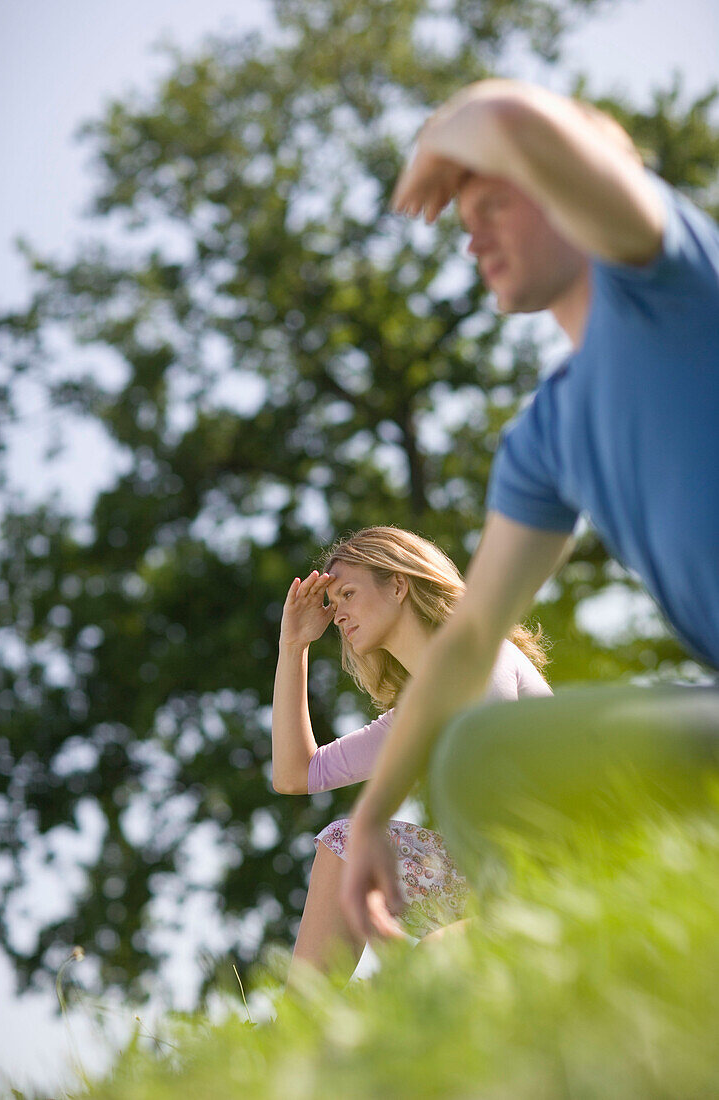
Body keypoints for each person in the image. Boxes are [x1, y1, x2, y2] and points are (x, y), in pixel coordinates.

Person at [339, 79, 719, 945]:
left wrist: (446, 131)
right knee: (489, 759)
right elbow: (470, 635)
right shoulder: (546, 433)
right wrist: (369, 822)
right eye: (464, 212)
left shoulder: (666, 280)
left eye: (496, 203)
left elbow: (514, 120)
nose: (469, 233)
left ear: (578, 194)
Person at [271, 526, 551, 986]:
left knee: (434, 958)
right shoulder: (412, 716)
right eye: (334, 604)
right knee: (340, 843)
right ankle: (290, 1039)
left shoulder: (483, 653)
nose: (338, 615)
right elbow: (294, 774)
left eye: (347, 593)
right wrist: (293, 646)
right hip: (486, 881)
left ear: (398, 585)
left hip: (556, 870)